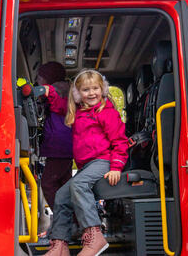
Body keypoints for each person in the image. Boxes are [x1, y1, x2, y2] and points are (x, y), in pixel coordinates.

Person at [43, 69, 128, 256]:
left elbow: (120, 142)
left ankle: (94, 235)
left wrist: (116, 167)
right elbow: (60, 106)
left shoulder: (108, 113)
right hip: (86, 166)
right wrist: (49, 92)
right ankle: (59, 245)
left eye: (95, 88)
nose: (91, 93)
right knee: (61, 196)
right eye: (86, 90)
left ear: (103, 90)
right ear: (77, 94)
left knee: (78, 184)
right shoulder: (78, 112)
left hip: (103, 160)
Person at [36, 62, 73, 211]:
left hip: (59, 146)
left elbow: (43, 91)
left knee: (48, 183)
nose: (37, 80)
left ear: (48, 78)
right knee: (65, 184)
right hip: (65, 145)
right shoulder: (65, 90)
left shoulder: (56, 90)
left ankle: (63, 219)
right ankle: (76, 222)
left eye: (40, 77)